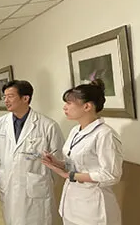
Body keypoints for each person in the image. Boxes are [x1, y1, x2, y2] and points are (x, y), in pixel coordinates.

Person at [41, 79, 124, 225]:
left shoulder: (105, 134)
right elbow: (79, 164)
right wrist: (58, 163)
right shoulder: (75, 130)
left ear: (87, 106)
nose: (65, 107)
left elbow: (111, 174)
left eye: (69, 103)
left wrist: (71, 176)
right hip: (72, 203)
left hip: (94, 207)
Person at [0, 80, 65, 225]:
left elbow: (58, 161)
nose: (6, 100)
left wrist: (40, 180)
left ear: (25, 98)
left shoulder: (48, 126)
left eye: (10, 96)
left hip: (36, 192)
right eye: (4, 97)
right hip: (9, 187)